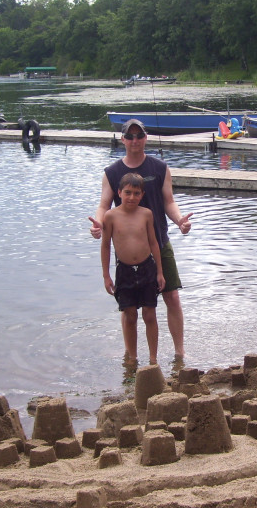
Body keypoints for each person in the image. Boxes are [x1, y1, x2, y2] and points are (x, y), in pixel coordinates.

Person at [89, 119, 192, 360]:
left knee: (172, 296)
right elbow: (104, 205)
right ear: (123, 139)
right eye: (130, 136)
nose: (135, 140)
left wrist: (180, 221)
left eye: (139, 135)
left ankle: (179, 353)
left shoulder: (159, 168)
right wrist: (98, 225)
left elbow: (169, 201)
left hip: (159, 242)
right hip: (128, 251)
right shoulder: (111, 173)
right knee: (129, 307)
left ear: (146, 138)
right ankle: (130, 356)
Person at [101, 172, 165, 365]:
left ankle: (153, 359)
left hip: (147, 268)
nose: (131, 197)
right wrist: (106, 275)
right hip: (124, 271)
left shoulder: (146, 214)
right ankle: (133, 357)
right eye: (127, 192)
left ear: (142, 195)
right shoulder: (110, 216)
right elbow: (105, 246)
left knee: (150, 314)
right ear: (119, 192)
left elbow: (154, 243)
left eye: (136, 193)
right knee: (130, 315)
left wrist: (160, 272)